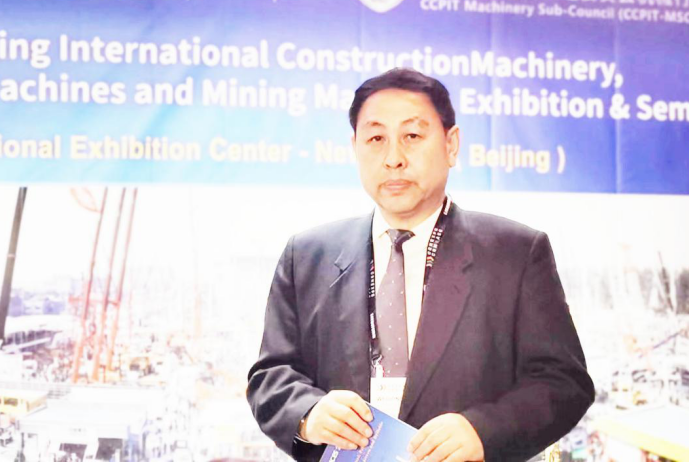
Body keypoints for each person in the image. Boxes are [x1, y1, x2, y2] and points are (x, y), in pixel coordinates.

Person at [247, 68, 594, 462]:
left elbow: (564, 383)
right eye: (376, 139)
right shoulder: (308, 255)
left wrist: (484, 430)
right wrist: (308, 413)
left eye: (412, 136)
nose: (394, 159)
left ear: (451, 144)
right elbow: (270, 376)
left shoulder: (515, 253)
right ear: (355, 147)